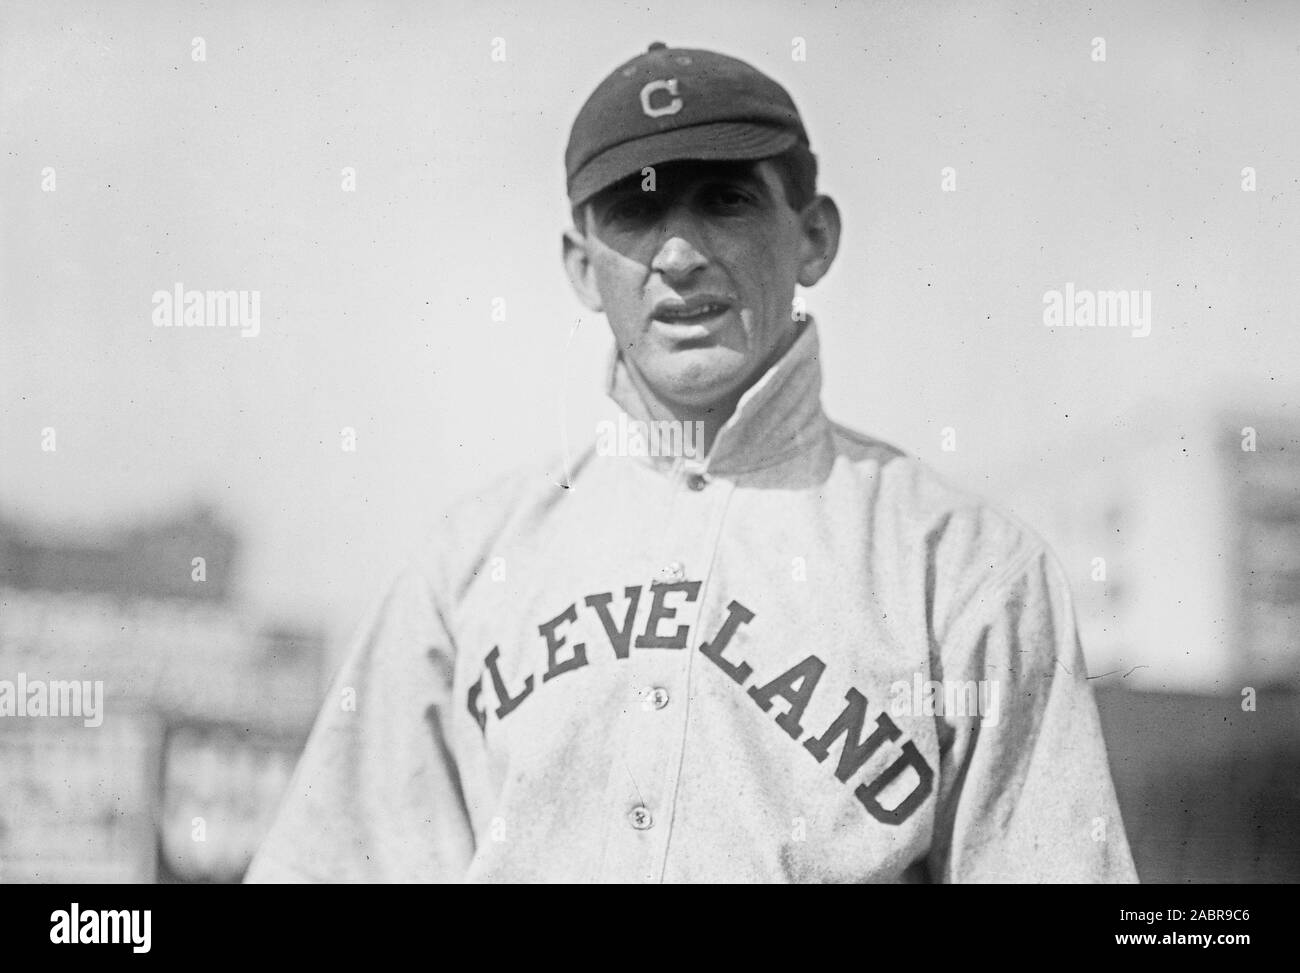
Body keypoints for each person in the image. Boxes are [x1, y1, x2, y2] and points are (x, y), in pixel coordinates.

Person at [246, 42, 1138, 883]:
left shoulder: (966, 568)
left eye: (725, 199)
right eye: (636, 211)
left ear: (815, 236)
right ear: (583, 267)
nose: (678, 255)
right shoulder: (471, 563)